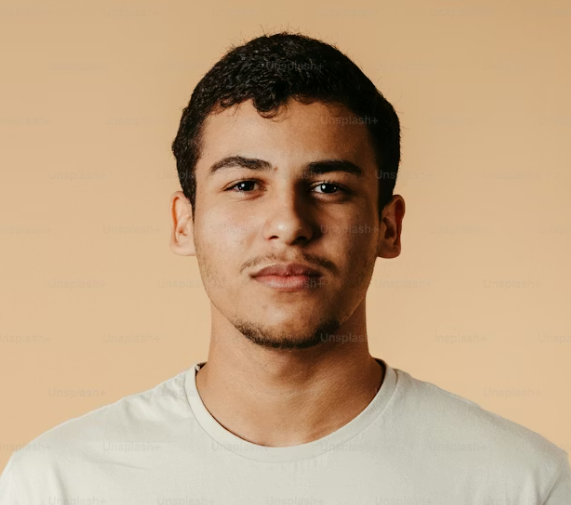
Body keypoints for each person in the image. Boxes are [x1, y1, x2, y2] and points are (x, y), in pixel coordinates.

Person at [1, 31, 569, 504]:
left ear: (388, 227)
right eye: (245, 184)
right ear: (184, 223)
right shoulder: (57, 485)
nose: (289, 223)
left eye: (328, 187)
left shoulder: (522, 484)